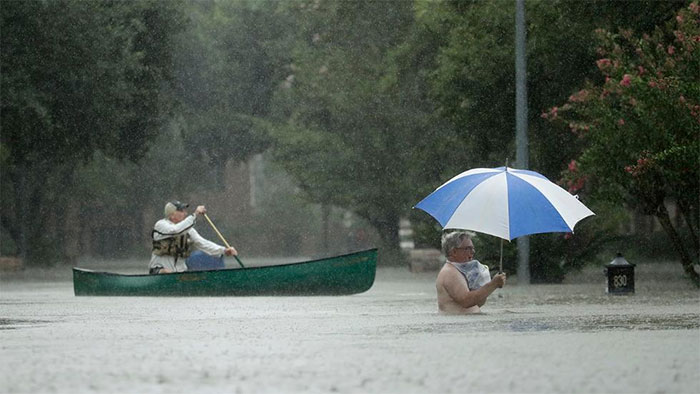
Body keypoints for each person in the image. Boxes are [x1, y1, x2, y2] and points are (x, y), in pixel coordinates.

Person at [149, 200, 237, 274]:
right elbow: (175, 230)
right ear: (172, 214)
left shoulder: (188, 230)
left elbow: (203, 243)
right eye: (182, 211)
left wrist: (224, 250)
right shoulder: (161, 225)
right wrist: (195, 214)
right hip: (159, 272)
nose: (185, 213)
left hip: (179, 274)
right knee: (166, 272)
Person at [436, 231, 506, 314]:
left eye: (473, 248)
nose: (473, 252)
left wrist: (482, 282)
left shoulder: (459, 271)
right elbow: (466, 301)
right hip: (458, 325)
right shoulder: (450, 272)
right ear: (454, 252)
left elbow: (478, 303)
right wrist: (493, 284)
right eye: (468, 248)